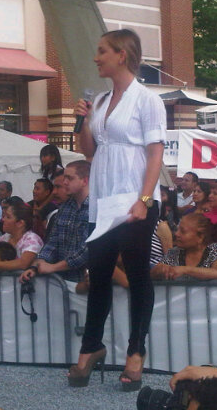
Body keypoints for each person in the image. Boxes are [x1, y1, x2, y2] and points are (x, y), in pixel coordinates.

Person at [70, 28, 166, 391]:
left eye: (102, 51)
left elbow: (155, 153)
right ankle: (91, 347)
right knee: (99, 274)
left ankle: (136, 351)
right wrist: (83, 121)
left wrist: (144, 200)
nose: (96, 58)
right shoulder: (100, 100)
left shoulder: (147, 100)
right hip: (104, 198)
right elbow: (89, 151)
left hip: (135, 197)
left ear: (122, 55)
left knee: (138, 275)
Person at [20, 160, 90, 283]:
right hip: (61, 281)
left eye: (70, 178)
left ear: (85, 181)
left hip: (85, 282)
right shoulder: (65, 207)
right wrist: (38, 265)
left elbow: (87, 250)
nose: (65, 182)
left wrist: (53, 267)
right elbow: (53, 242)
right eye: (65, 178)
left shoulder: (97, 208)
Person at [151, 213, 217, 281]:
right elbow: (153, 274)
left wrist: (185, 270)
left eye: (183, 231)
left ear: (200, 237)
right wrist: (159, 270)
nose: (176, 234)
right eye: (178, 230)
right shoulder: (175, 252)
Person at [0, 200, 42, 274]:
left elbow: (23, 263)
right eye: (4, 216)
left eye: (8, 217)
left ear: (20, 223)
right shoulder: (4, 238)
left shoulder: (32, 239)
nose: (3, 219)